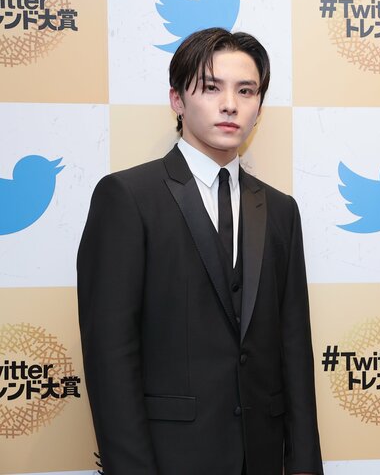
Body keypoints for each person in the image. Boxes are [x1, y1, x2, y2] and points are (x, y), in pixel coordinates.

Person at [78, 28, 322, 475]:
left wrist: (304, 465)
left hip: (262, 457)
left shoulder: (281, 210)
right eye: (211, 88)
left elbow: (294, 348)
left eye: (246, 91)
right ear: (177, 99)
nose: (230, 104)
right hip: (169, 458)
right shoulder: (128, 197)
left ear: (259, 107)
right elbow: (110, 357)